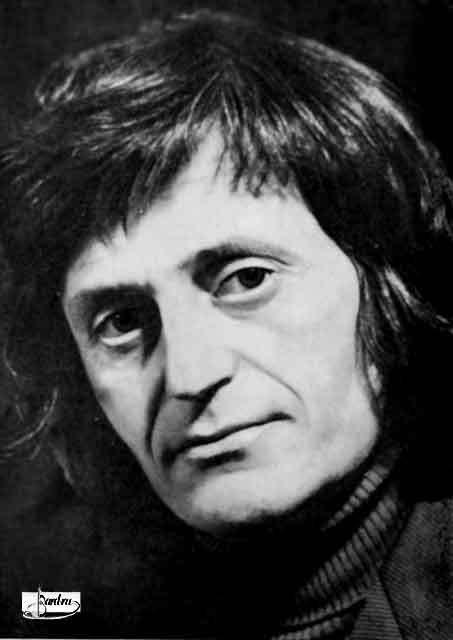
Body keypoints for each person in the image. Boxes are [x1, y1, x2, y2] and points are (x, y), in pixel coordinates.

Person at [0, 9, 452, 639]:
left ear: (387, 282)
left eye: (246, 279)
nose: (190, 376)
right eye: (122, 321)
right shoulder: (62, 610)